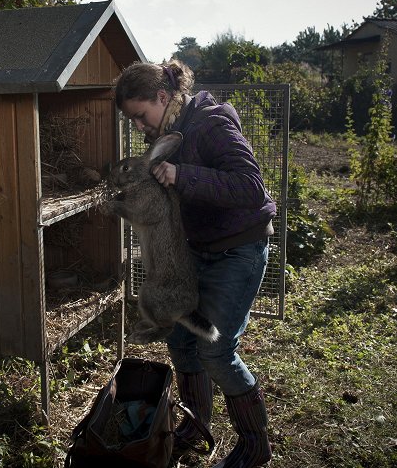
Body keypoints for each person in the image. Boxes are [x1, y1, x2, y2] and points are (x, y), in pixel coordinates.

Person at [114, 60, 276, 467]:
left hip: (239, 249)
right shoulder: (172, 129)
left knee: (216, 351)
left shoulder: (211, 123)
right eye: (132, 120)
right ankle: (195, 426)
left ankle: (256, 447)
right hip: (199, 248)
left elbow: (251, 188)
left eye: (140, 115)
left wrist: (183, 175)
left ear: (164, 97)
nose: (138, 126)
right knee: (182, 340)